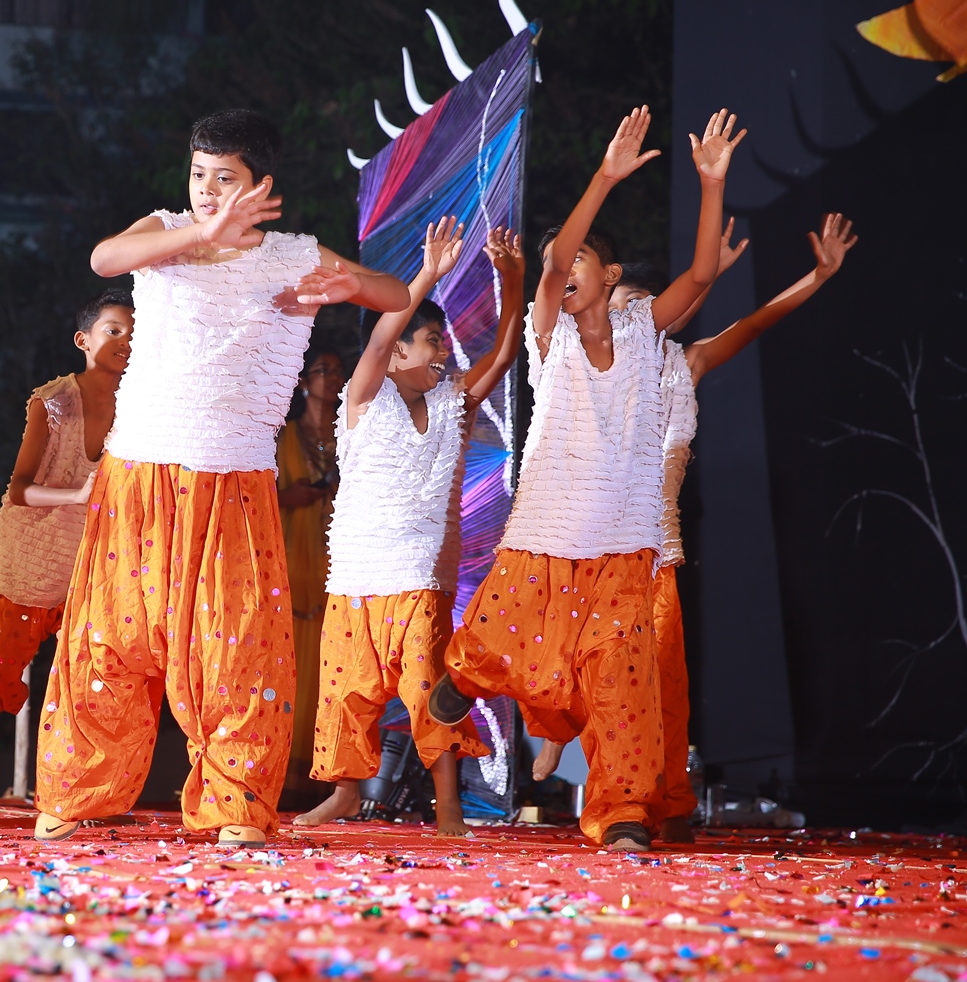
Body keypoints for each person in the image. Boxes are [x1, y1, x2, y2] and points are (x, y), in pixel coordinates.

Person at [33, 109, 410, 846]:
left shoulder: (293, 253)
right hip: (140, 466)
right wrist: (199, 235)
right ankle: (79, 795)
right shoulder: (168, 231)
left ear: (261, 186)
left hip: (232, 474)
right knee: (108, 637)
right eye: (200, 175)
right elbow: (106, 259)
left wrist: (339, 290)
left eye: (225, 178)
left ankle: (236, 802)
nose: (207, 191)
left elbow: (392, 296)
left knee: (234, 643)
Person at [429, 107, 745, 852]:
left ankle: (624, 810)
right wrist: (605, 175)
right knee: (499, 642)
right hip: (547, 531)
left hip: (625, 542)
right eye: (559, 267)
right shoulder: (551, 338)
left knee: (623, 684)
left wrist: (711, 183)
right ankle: (464, 679)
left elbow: (701, 275)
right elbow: (551, 262)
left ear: (611, 277)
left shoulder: (643, 334)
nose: (566, 271)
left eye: (581, 266)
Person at [531, 212, 858, 842]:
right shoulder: (585, 360)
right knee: (560, 657)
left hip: (654, 550)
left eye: (637, 308)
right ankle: (553, 730)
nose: (625, 319)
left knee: (654, 686)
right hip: (587, 540)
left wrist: (817, 276)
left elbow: (757, 320)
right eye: (618, 307)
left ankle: (655, 797)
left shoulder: (686, 364)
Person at [294, 218, 525, 835]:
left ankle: (448, 803)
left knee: (427, 691)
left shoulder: (453, 400)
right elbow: (373, 346)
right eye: (430, 340)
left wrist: (513, 279)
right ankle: (345, 793)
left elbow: (505, 352)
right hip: (356, 572)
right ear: (398, 352)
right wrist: (426, 277)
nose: (443, 352)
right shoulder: (365, 397)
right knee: (345, 693)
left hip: (420, 572)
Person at [0, 290, 136, 767]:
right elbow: (18, 489)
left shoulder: (141, 405)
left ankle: (88, 770)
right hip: (36, 544)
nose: (126, 341)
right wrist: (76, 495)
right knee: (4, 648)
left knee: (99, 663)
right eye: (113, 330)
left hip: (97, 551)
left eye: (135, 333)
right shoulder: (53, 403)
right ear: (83, 340)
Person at [276, 344, 345, 805]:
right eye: (323, 369)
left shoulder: (348, 431)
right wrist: (289, 496)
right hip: (292, 549)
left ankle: (326, 776)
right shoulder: (285, 436)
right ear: (303, 382)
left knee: (330, 661)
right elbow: (267, 490)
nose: (331, 379)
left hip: (335, 554)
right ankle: (281, 773)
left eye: (337, 371)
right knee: (292, 660)